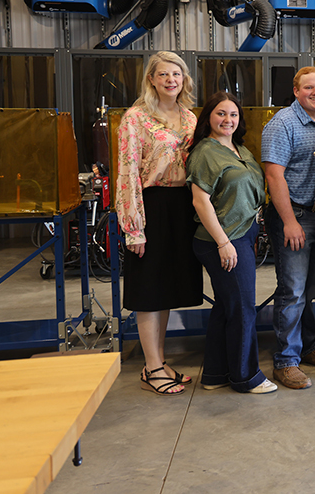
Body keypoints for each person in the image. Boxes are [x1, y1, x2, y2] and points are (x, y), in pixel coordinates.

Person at [115, 51, 202, 396]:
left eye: (176, 75)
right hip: (151, 204)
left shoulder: (190, 117)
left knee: (166, 288)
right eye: (163, 75)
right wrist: (134, 227)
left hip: (182, 205)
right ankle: (151, 368)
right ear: (151, 79)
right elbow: (126, 173)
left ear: (184, 80)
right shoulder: (135, 118)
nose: (171, 80)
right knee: (149, 290)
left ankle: (160, 360)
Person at [187, 92, 276, 394]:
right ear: (209, 117)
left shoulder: (239, 149)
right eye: (221, 114)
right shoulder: (205, 152)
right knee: (242, 309)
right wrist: (223, 242)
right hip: (223, 239)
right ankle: (245, 376)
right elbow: (200, 201)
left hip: (243, 233)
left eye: (233, 114)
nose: (228, 120)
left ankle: (214, 374)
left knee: (226, 307)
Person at [262, 67, 315, 390]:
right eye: (309, 87)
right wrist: (289, 221)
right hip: (294, 216)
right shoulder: (282, 124)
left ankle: (306, 346)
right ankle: (286, 361)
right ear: (296, 90)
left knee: (310, 288)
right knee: (292, 290)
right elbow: (274, 176)